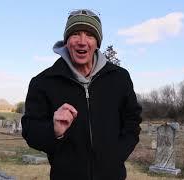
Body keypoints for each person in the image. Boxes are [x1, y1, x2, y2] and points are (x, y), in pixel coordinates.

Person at [21, 9, 142, 180]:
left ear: (97, 43)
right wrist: (54, 131)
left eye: (90, 35)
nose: (82, 42)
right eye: (76, 34)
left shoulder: (119, 78)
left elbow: (132, 121)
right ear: (66, 41)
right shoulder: (43, 82)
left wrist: (116, 156)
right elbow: (30, 131)